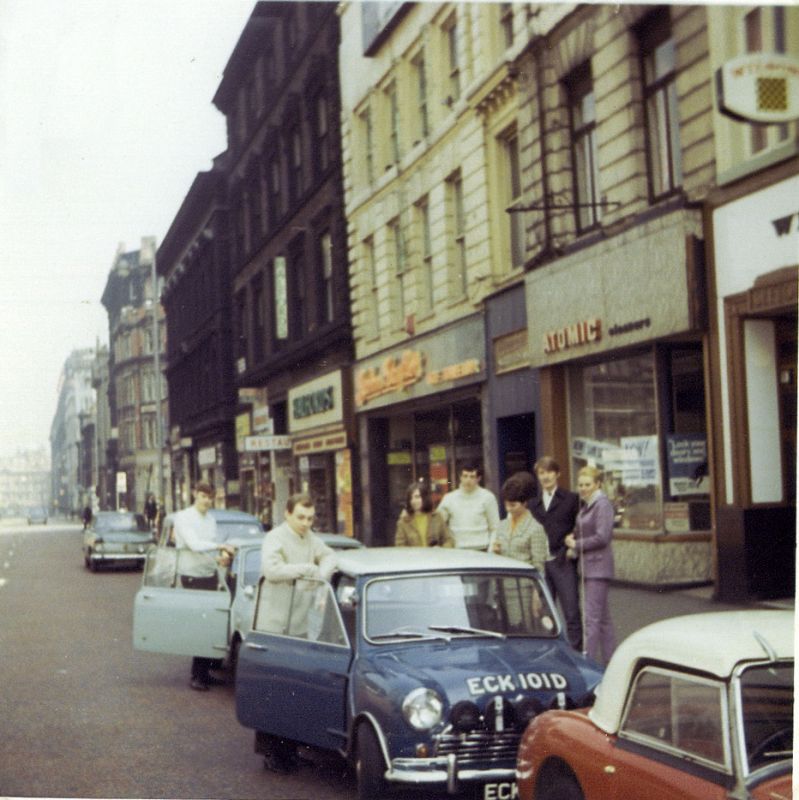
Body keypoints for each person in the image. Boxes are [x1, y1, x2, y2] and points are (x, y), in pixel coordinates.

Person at [259, 492, 338, 773]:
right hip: (276, 625)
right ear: (287, 514)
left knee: (294, 691)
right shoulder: (275, 538)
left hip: (300, 625)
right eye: (301, 517)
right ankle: (272, 753)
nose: (306, 523)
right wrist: (307, 569)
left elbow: (329, 556)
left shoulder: (310, 538)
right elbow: (271, 570)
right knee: (274, 691)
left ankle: (289, 750)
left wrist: (322, 574)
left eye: (310, 518)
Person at [173, 481, 234, 691]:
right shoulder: (183, 517)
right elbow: (194, 544)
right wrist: (219, 547)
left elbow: (209, 550)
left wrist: (220, 559)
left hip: (209, 574)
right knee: (200, 625)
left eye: (210, 497)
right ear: (194, 495)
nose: (206, 501)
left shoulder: (211, 519)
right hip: (191, 575)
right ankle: (196, 676)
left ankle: (205, 673)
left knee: (211, 625)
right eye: (203, 496)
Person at [565, 466, 617, 664]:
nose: (583, 488)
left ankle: (588, 662)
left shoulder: (602, 505)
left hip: (597, 568)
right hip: (591, 567)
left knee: (592, 619)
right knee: (603, 620)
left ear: (597, 484)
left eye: (588, 484)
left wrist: (577, 544)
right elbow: (586, 530)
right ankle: (610, 661)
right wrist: (575, 537)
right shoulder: (588, 505)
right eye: (580, 485)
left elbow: (603, 537)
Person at [530, 456, 582, 651]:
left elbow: (581, 525)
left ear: (557, 474)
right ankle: (548, 652)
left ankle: (576, 651)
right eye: (542, 473)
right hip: (542, 562)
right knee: (543, 611)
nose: (546, 477)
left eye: (549, 472)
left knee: (571, 610)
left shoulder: (571, 499)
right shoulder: (533, 505)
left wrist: (572, 545)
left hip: (562, 560)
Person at [436, 461, 500, 551]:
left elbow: (495, 527)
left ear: (478, 478)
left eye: (472, 476)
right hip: (457, 550)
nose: (468, 480)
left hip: (481, 549)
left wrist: (491, 551)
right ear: (460, 477)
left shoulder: (488, 497)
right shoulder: (449, 498)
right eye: (465, 476)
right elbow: (438, 523)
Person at [492, 472, 548, 571]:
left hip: (524, 583)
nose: (509, 509)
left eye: (513, 505)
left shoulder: (535, 528)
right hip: (504, 580)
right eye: (506, 505)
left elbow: (539, 566)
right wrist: (496, 552)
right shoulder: (502, 525)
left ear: (524, 503)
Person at [395, 481, 454, 547]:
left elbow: (448, 540)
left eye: (417, 497)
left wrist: (441, 549)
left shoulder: (436, 517)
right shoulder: (403, 521)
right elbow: (400, 546)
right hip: (413, 557)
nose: (413, 501)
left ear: (425, 497)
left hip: (435, 557)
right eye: (411, 498)